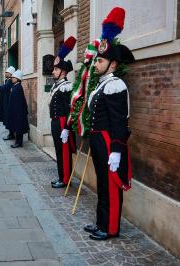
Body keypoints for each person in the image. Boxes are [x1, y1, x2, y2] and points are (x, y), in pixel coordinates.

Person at [84, 7, 135, 241]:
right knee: (102, 184)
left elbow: (118, 122)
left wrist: (116, 150)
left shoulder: (115, 85)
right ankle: (101, 222)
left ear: (112, 64)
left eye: (100, 60)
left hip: (108, 141)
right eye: (96, 60)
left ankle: (111, 227)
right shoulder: (101, 85)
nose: (95, 64)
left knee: (111, 186)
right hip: (98, 140)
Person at [49, 36, 77, 189]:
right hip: (55, 122)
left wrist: (66, 128)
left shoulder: (67, 86)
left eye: (56, 69)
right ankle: (61, 176)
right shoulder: (56, 86)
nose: (53, 71)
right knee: (59, 151)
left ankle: (66, 179)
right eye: (54, 69)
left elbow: (69, 110)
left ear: (64, 72)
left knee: (65, 152)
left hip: (62, 123)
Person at [7, 70, 29, 148]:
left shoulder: (18, 87)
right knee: (17, 126)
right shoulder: (15, 86)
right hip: (15, 111)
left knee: (19, 127)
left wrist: (17, 112)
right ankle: (18, 141)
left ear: (17, 79)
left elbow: (19, 102)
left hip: (18, 111)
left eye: (13, 77)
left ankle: (19, 142)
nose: (12, 78)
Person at [0, 66, 15, 140]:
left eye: (6, 72)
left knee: (9, 119)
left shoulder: (10, 81)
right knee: (7, 119)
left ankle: (11, 134)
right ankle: (11, 134)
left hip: (8, 102)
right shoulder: (7, 80)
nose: (5, 73)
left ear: (10, 74)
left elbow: (3, 88)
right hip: (5, 101)